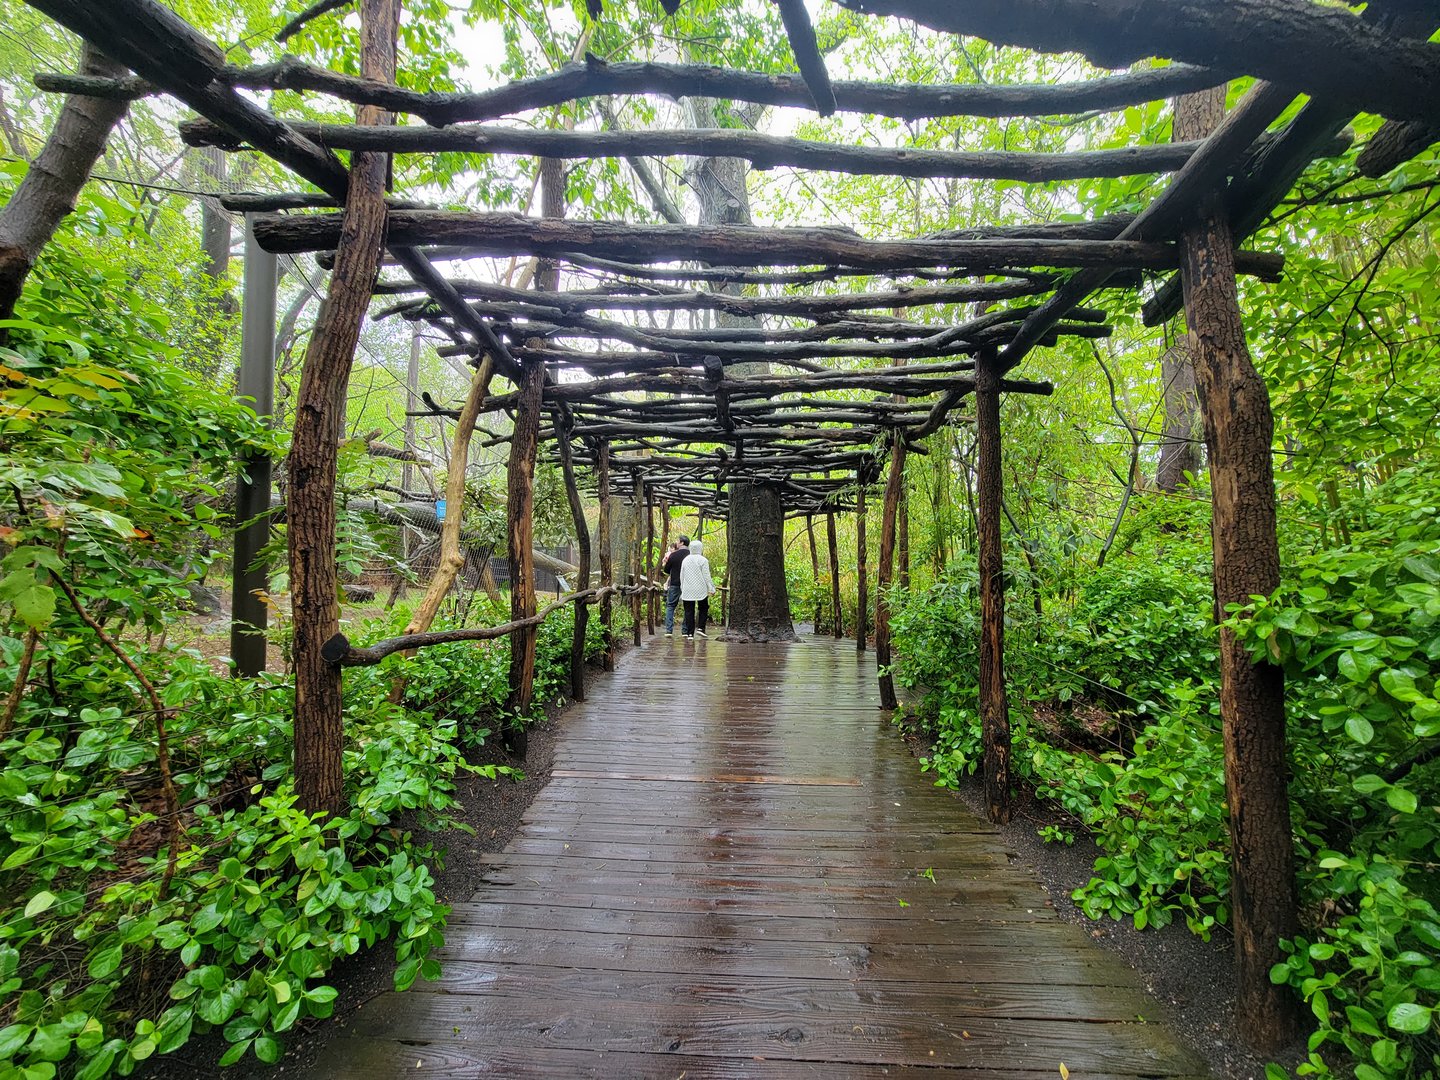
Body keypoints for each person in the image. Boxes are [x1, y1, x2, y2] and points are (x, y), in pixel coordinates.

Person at [679, 537, 716, 638]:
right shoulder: (703, 560)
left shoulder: (685, 560)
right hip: (701, 589)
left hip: (688, 589)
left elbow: (681, 576)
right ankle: (701, 627)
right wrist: (711, 588)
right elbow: (706, 576)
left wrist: (683, 588)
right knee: (703, 607)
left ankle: (690, 633)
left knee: (689, 611)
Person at [658, 535, 690, 637]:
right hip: (688, 584)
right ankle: (685, 631)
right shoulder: (691, 555)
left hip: (675, 583)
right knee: (688, 607)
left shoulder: (674, 555)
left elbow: (666, 570)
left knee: (671, 606)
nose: (676, 542)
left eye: (677, 541)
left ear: (682, 543)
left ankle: (668, 631)